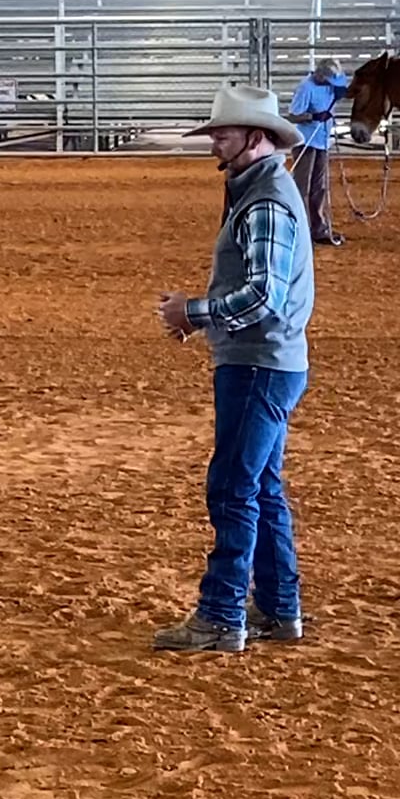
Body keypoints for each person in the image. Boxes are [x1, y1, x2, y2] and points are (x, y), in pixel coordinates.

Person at [153, 85, 317, 653]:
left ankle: (223, 615)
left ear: (256, 137)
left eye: (223, 133)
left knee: (233, 488)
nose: (214, 142)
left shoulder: (265, 200)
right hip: (268, 362)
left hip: (256, 364)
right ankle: (277, 608)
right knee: (259, 487)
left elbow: (264, 297)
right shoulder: (264, 191)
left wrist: (194, 313)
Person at [286, 58, 350, 246]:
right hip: (306, 141)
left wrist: (341, 93)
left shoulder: (332, 83)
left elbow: (344, 88)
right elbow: (293, 116)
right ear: (320, 75)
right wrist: (313, 116)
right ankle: (301, 228)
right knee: (302, 187)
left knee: (319, 187)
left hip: (322, 140)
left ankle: (318, 227)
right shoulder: (305, 88)